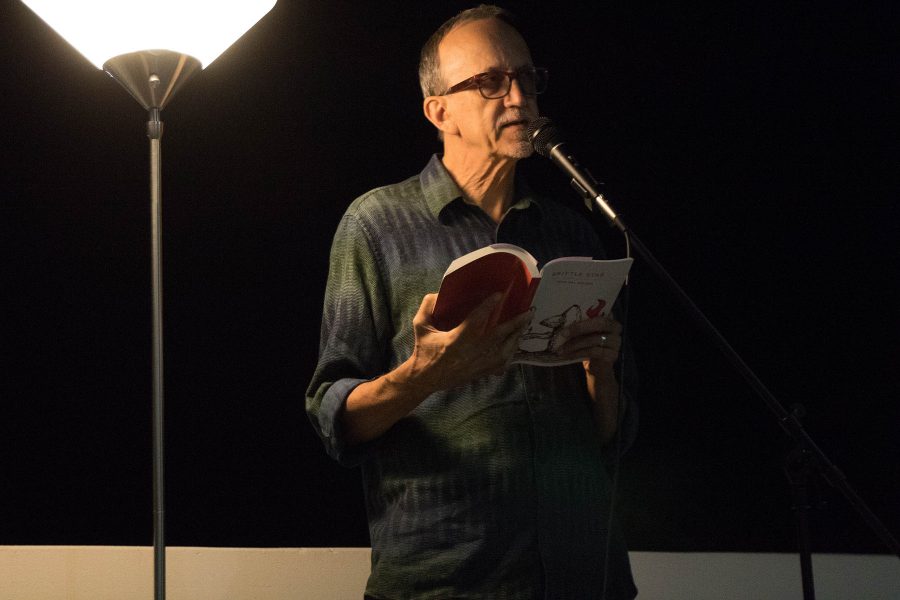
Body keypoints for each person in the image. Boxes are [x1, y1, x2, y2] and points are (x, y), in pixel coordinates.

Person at [306, 5, 637, 599]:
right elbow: (334, 419)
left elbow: (614, 436)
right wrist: (423, 376)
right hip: (447, 579)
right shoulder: (376, 224)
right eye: (491, 81)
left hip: (584, 576)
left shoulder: (571, 234)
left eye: (528, 78)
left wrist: (602, 377)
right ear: (439, 111)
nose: (518, 96)